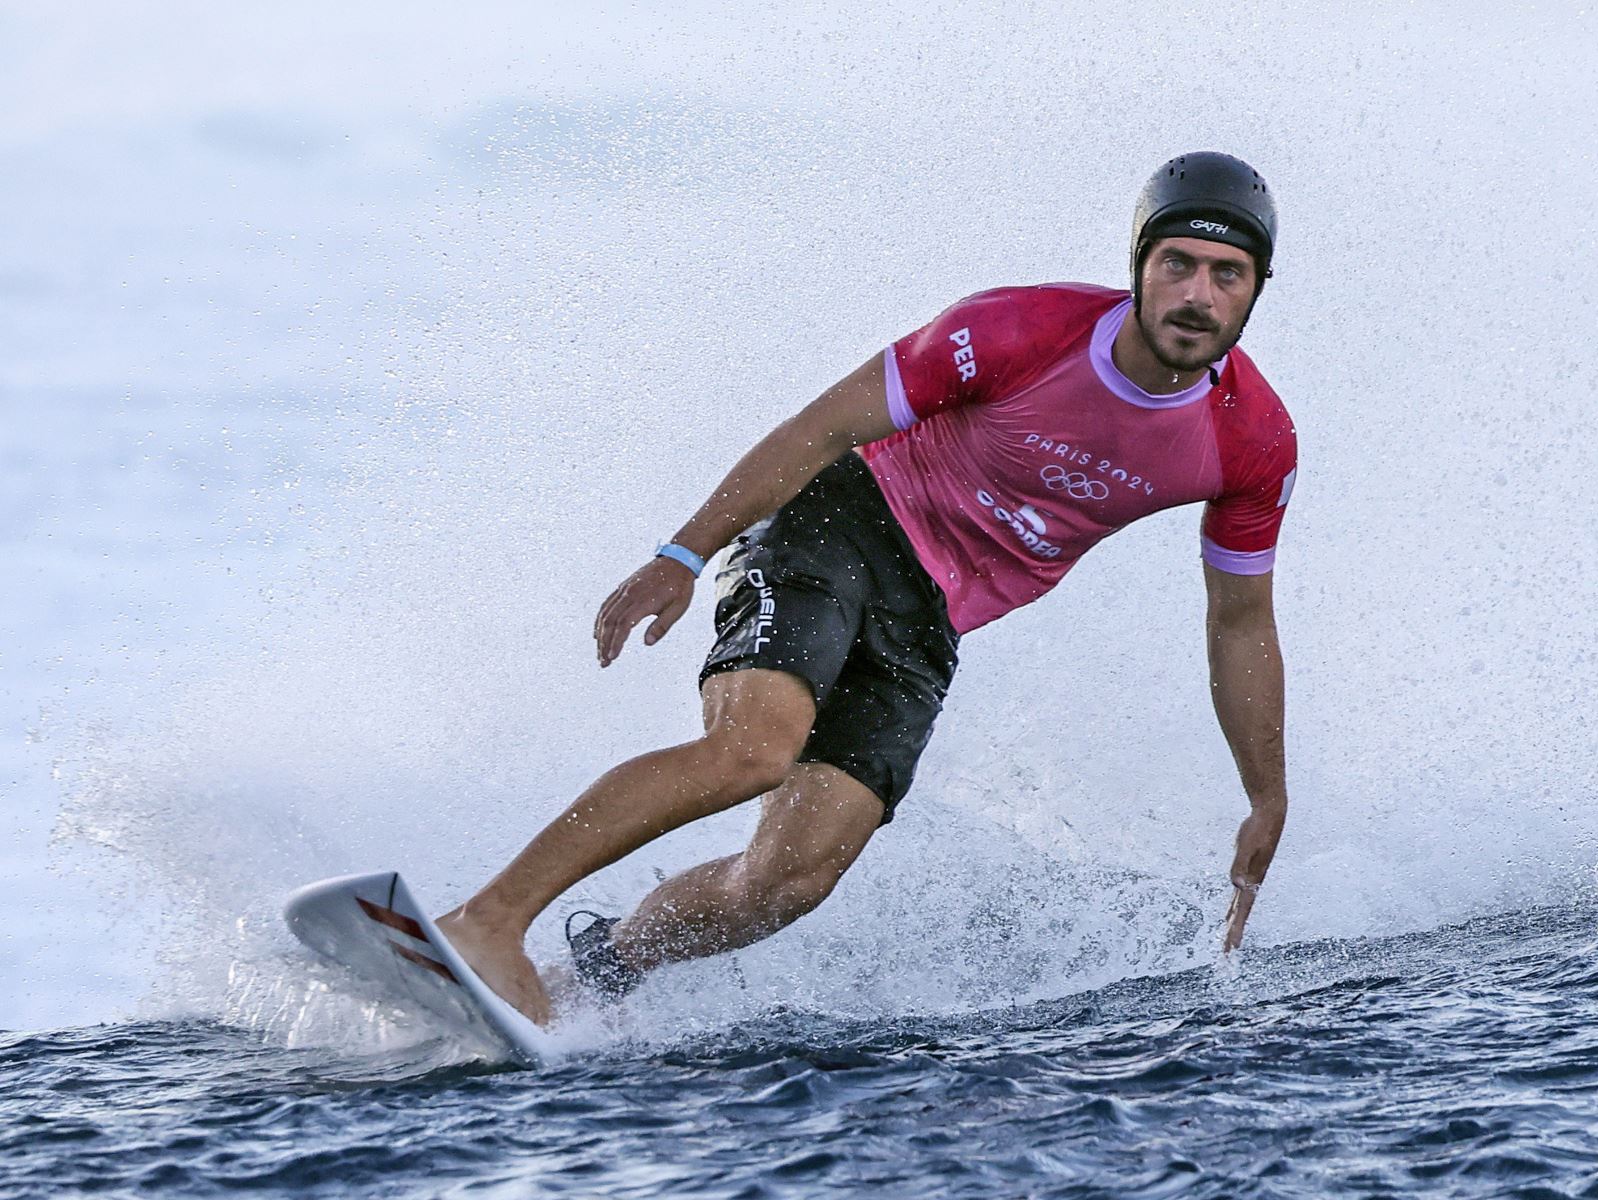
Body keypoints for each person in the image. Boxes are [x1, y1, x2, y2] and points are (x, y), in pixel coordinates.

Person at [438, 152, 1298, 1025]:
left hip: (931, 619)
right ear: (1139, 267)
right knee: (753, 750)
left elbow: (1239, 622)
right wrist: (683, 555)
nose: (1197, 293)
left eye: (1227, 274)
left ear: (1256, 290)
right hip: (844, 521)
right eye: (1176, 263)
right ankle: (487, 921)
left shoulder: (1251, 442)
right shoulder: (1018, 332)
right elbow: (822, 427)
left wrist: (1266, 794)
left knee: (788, 878)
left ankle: (582, 981)